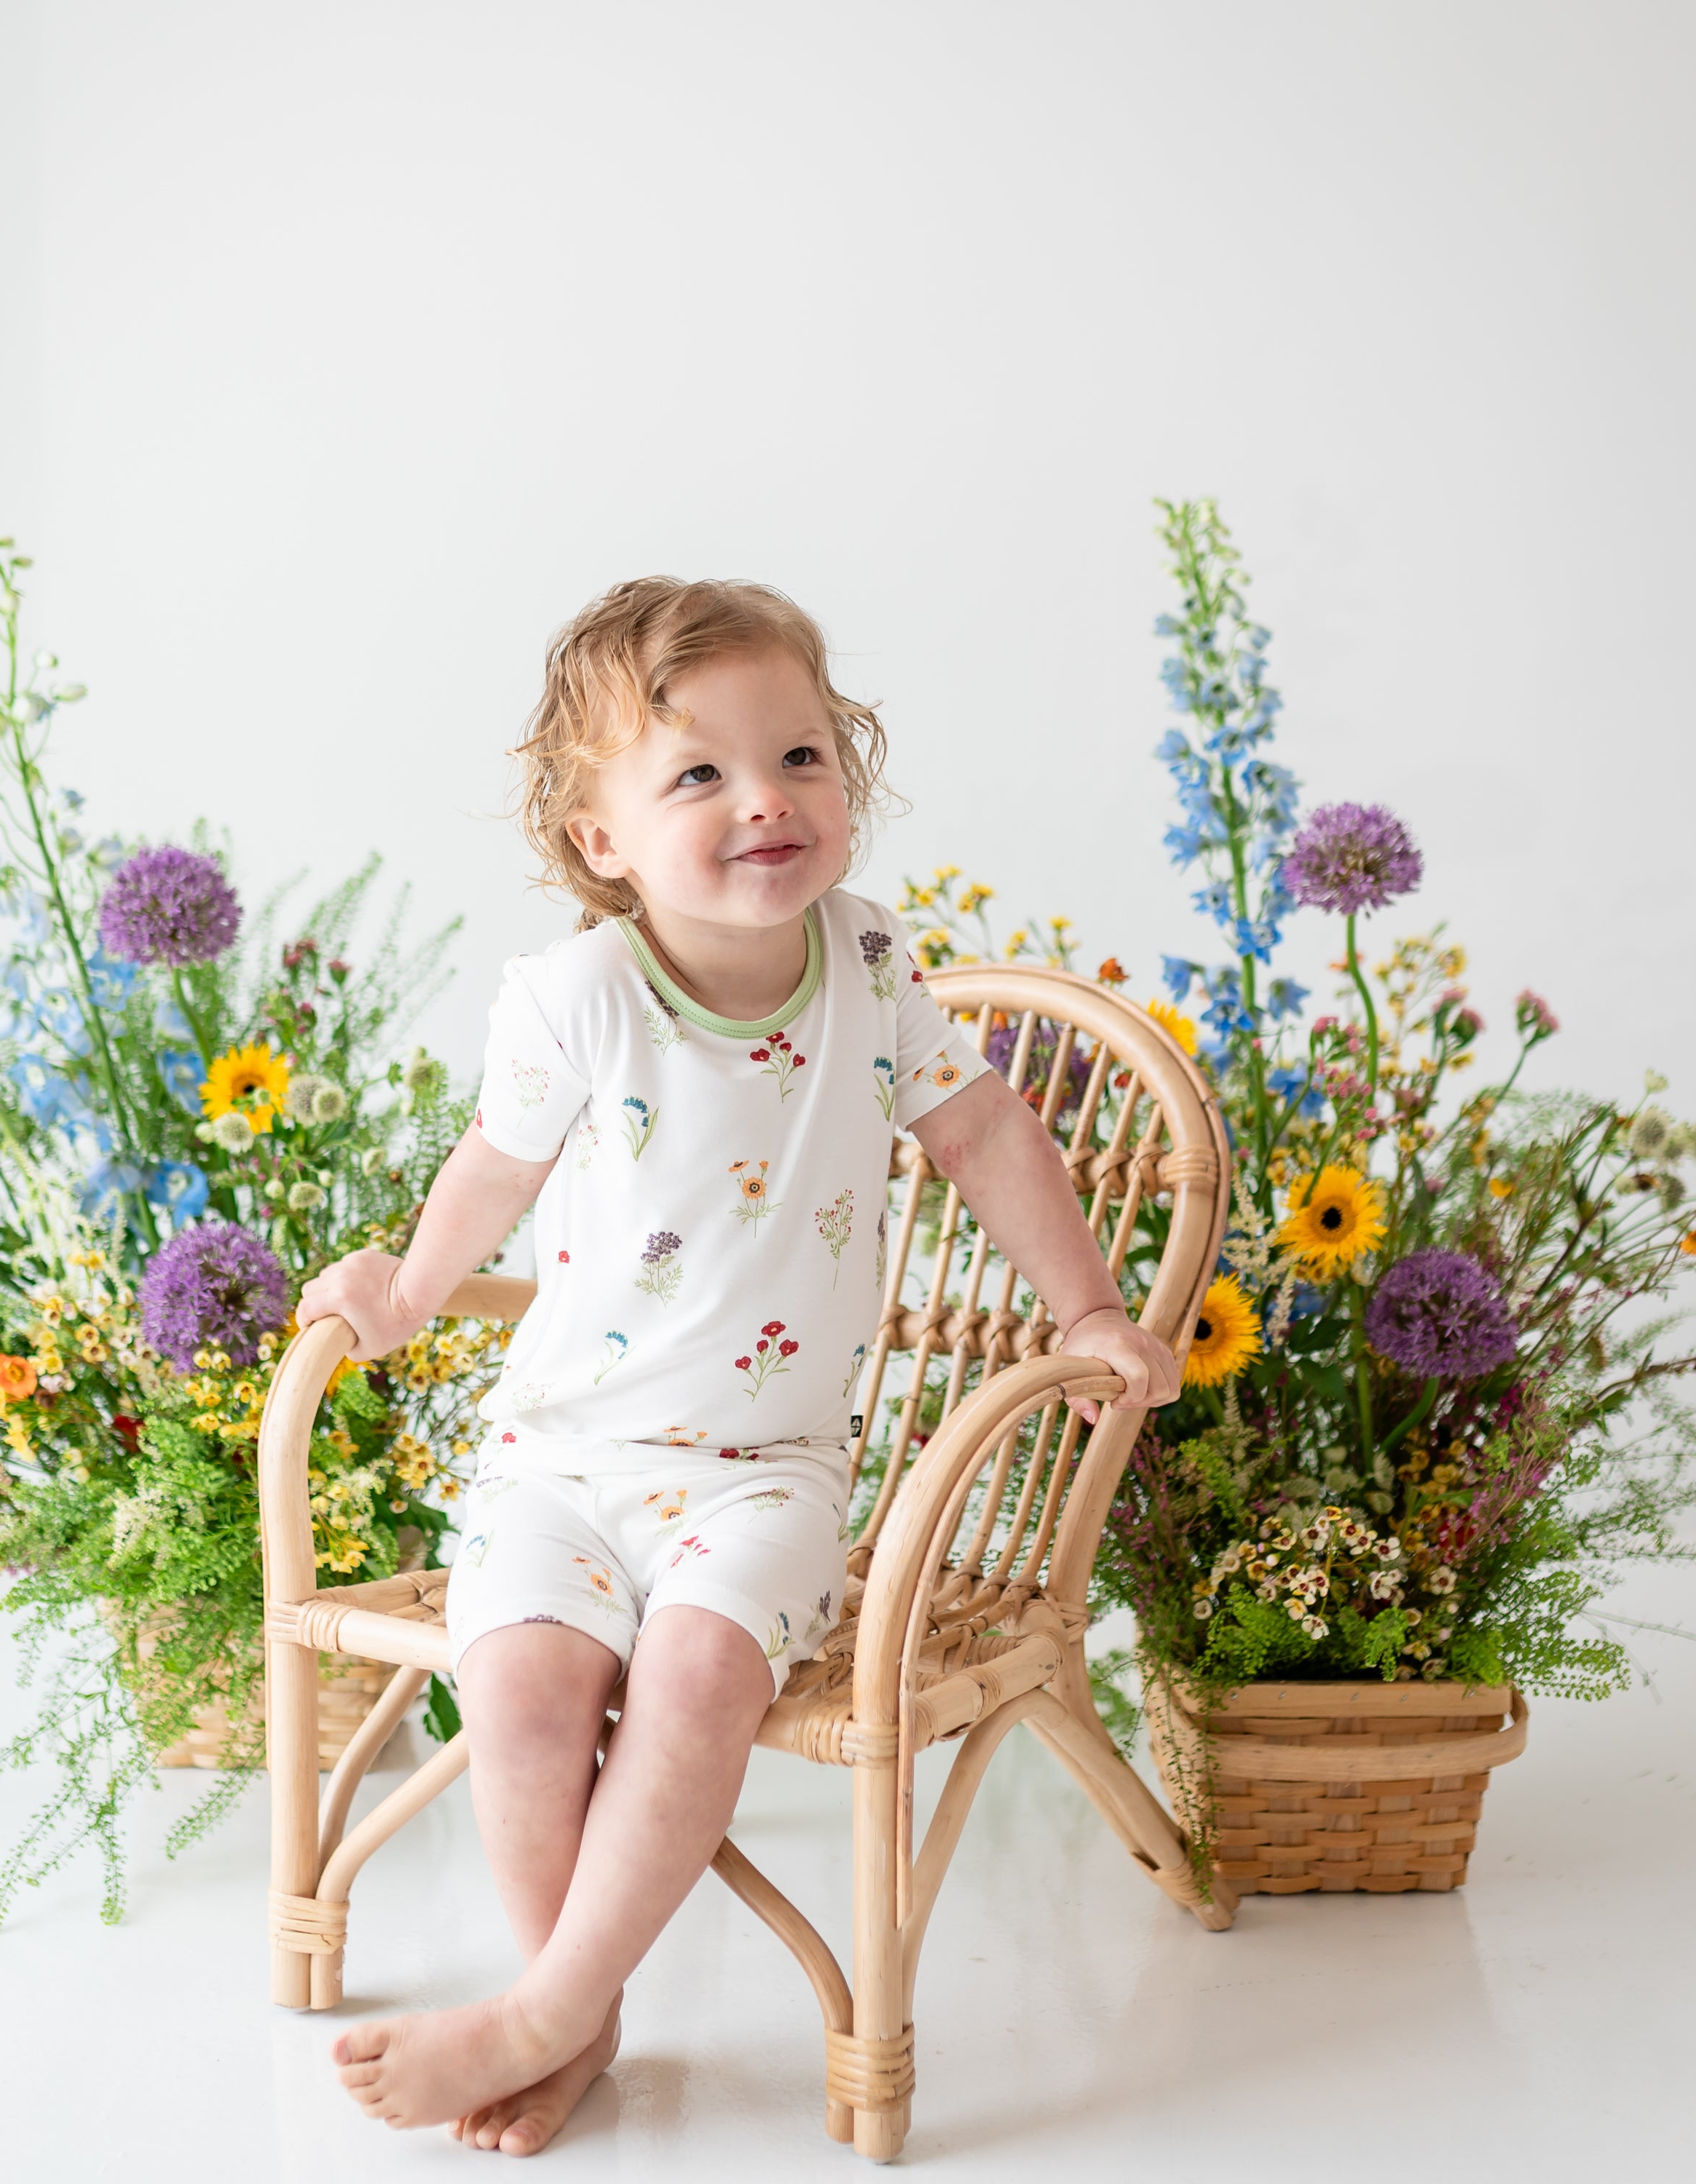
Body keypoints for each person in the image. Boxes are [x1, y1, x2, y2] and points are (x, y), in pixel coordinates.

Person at [296, 577, 1181, 2155]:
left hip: (765, 1473)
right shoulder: (574, 998)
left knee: (702, 1670)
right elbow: (491, 1171)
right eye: (699, 773)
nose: (766, 799)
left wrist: (1088, 1310)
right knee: (517, 1684)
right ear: (603, 841)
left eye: (805, 756)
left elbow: (983, 1131)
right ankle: (579, 2003)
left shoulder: (875, 965)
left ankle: (545, 2015)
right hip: (557, 1459)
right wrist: (409, 1295)